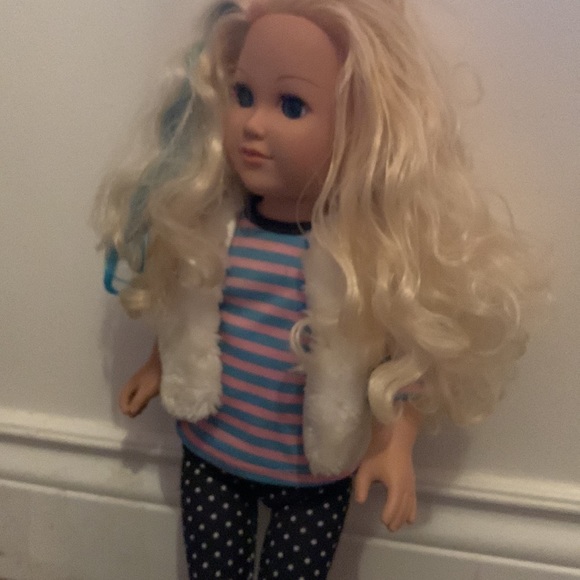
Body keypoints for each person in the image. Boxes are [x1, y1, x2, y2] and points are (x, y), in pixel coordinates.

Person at [93, 1, 545, 578]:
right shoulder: (213, 227)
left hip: (312, 478)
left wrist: (395, 444)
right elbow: (186, 307)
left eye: (291, 105)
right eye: (243, 95)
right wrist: (159, 365)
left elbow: (405, 359)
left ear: (360, 125)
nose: (253, 124)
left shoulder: (361, 258)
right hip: (211, 455)